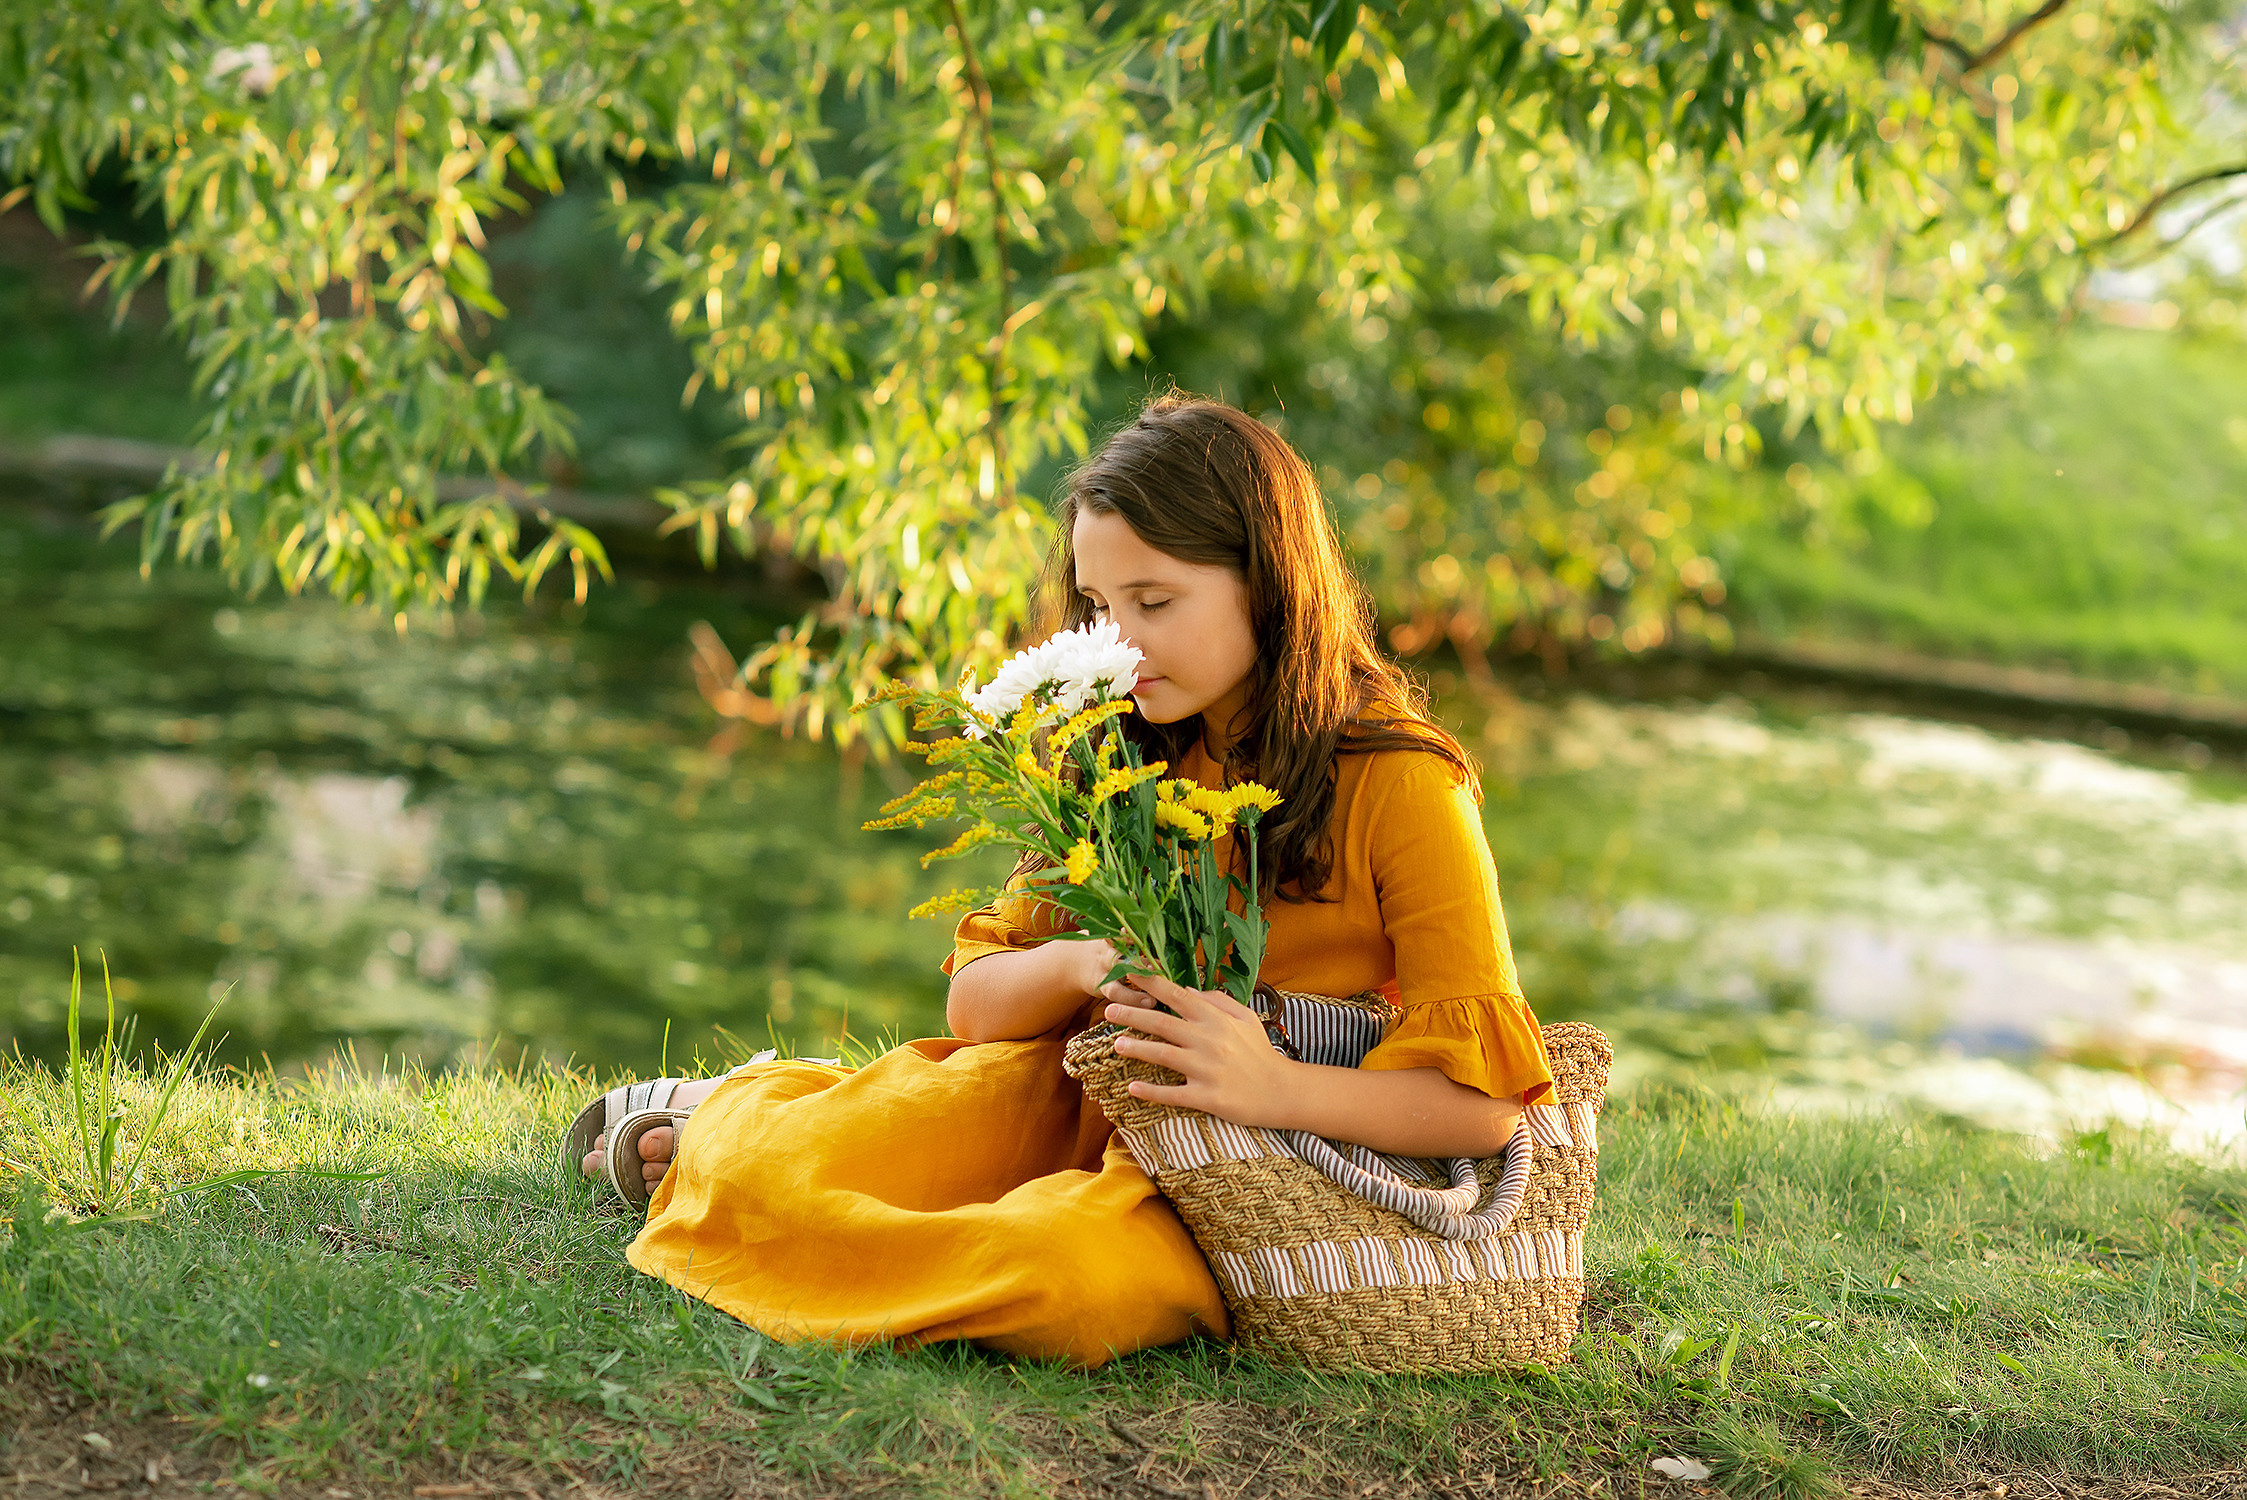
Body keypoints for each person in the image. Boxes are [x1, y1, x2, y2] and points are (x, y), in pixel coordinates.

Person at [587, 393, 1554, 1366]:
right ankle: (743, 1115)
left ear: (1266, 580)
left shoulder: (1402, 781)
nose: (1118, 643)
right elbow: (975, 1004)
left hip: (1246, 1176)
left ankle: (734, 1145)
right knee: (784, 1161)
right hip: (1073, 1099)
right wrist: (1086, 963)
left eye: (1155, 602)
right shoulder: (1113, 749)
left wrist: (1270, 1085)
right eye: (1098, 607)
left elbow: (1481, 1109)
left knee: (1062, 1281)